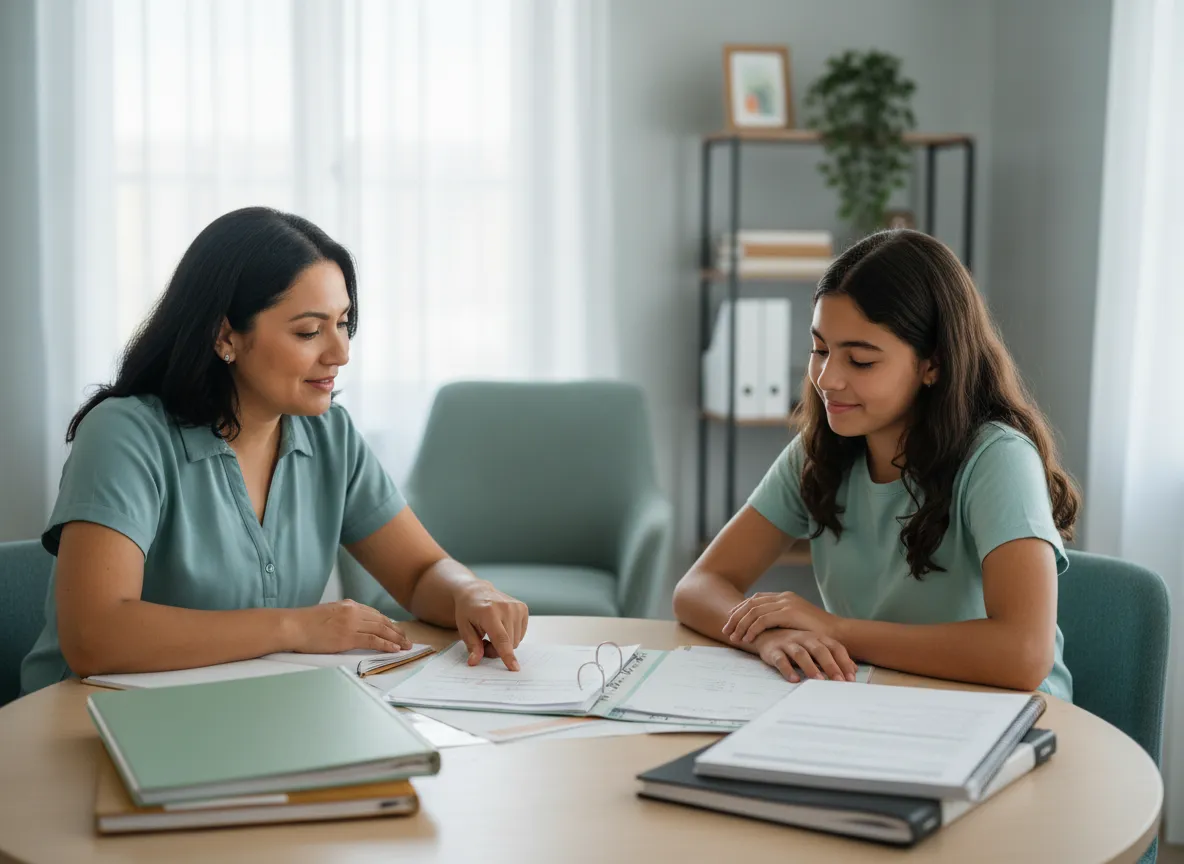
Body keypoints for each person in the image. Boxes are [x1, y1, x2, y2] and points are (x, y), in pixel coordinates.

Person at [20, 207, 528, 694]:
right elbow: (96, 635)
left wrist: (470, 591)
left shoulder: (331, 435)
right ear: (225, 336)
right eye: (309, 331)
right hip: (88, 722)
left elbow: (419, 574)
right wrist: (296, 628)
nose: (341, 353)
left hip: (249, 718)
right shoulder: (125, 435)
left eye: (344, 323)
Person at [673, 229, 1079, 700]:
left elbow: (1024, 655)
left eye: (861, 361)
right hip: (880, 701)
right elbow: (699, 586)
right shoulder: (819, 451)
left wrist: (835, 630)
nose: (828, 379)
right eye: (820, 349)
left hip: (1004, 717)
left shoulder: (997, 459)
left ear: (934, 364)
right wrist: (770, 635)